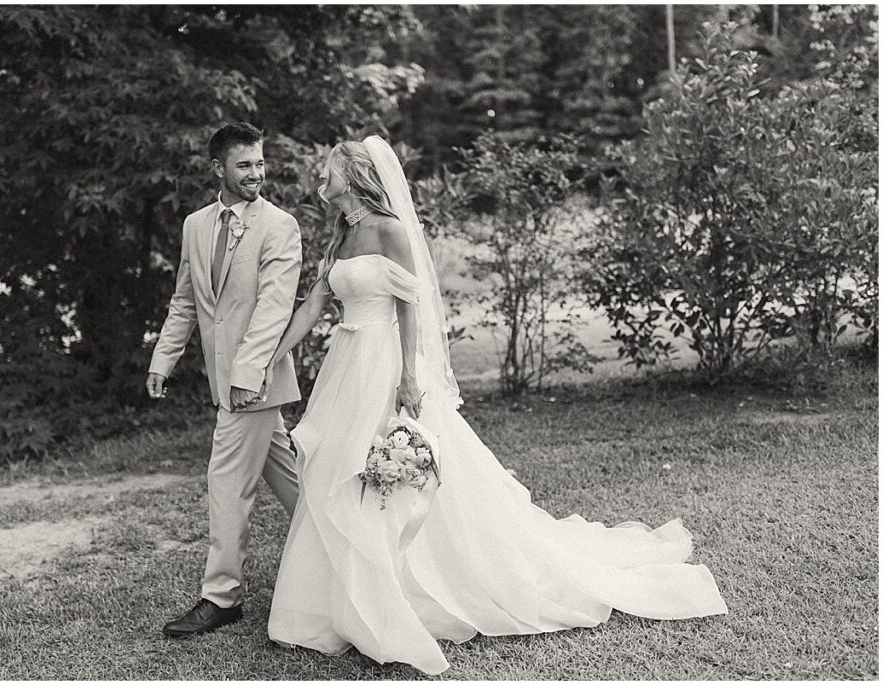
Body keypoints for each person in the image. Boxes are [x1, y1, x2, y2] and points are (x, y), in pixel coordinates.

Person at [264, 136, 728, 675]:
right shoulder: (340, 233)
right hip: (346, 363)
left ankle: (403, 589)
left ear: (356, 176)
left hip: (383, 362)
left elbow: (412, 303)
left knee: (391, 476)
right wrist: (274, 355)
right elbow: (314, 304)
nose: (323, 175)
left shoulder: (389, 230)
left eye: (331, 168)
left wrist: (409, 376)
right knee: (336, 474)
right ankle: (332, 602)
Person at [146, 122, 303, 638]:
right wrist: (162, 360)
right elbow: (186, 300)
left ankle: (222, 596)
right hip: (229, 381)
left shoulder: (280, 226)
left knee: (225, 484)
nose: (256, 173)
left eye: (259, 163)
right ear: (219, 169)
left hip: (251, 382)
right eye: (244, 165)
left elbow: (274, 308)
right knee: (301, 487)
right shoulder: (195, 225)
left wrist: (247, 373)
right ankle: (354, 551)